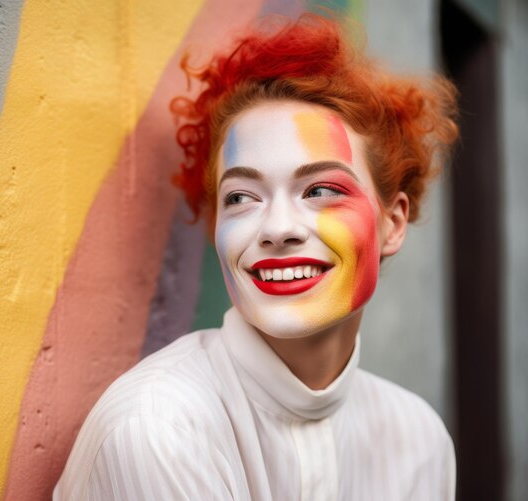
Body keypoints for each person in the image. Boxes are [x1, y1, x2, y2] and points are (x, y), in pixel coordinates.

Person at [54, 13, 459, 500]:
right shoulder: (157, 427)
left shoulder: (418, 439)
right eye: (242, 197)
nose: (278, 229)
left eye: (321, 189)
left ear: (392, 223)